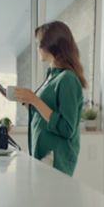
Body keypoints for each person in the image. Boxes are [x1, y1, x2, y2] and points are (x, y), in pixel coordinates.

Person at [13, 21, 87, 176]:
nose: (37, 48)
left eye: (39, 44)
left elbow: (67, 128)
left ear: (51, 45)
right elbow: (47, 112)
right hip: (43, 154)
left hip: (54, 157)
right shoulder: (52, 76)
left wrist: (35, 100)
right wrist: (27, 102)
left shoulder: (67, 79)